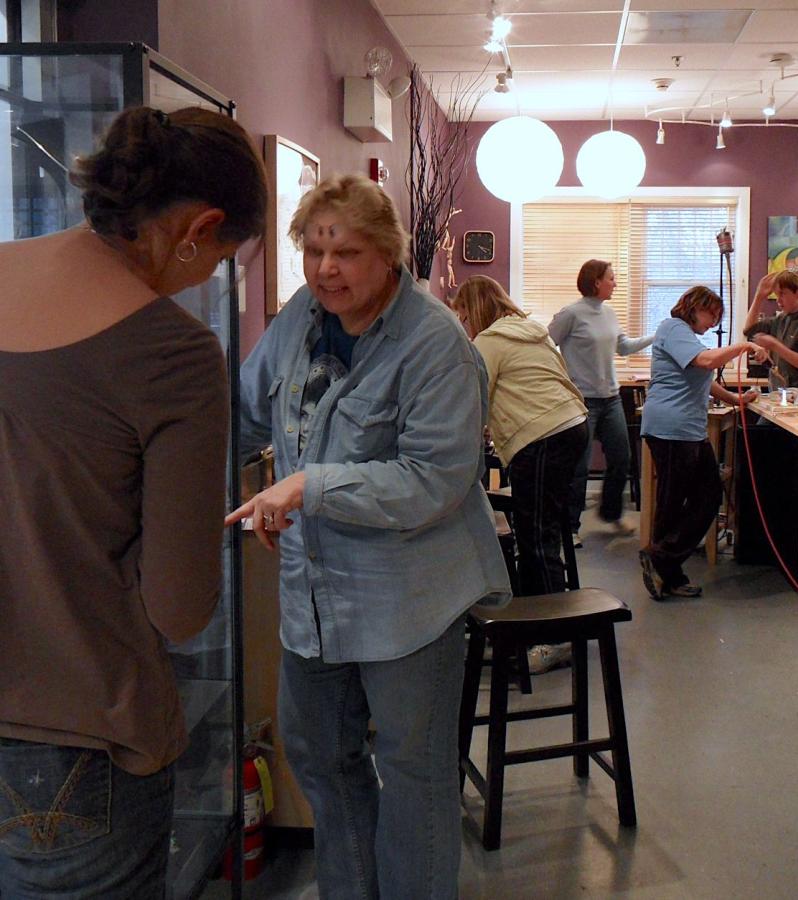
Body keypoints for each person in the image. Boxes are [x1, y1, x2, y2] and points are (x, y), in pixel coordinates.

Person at [0, 106, 268, 896]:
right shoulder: (174, 354)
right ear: (200, 227)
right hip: (79, 733)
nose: (212, 276)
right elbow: (180, 607)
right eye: (223, 256)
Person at [226, 174, 510, 899]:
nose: (327, 269)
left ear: (388, 254)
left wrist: (309, 486)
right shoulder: (300, 318)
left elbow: (432, 480)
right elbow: (247, 412)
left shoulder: (435, 344)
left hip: (409, 602)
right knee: (322, 760)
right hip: (314, 597)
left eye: (347, 252)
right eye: (314, 250)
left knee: (414, 775)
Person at [452, 276, 588, 674]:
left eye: (462, 316)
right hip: (571, 426)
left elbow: (471, 400)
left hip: (542, 436)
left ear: (473, 311)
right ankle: (536, 626)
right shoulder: (533, 333)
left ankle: (553, 639)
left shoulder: (488, 343)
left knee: (536, 538)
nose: (463, 325)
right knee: (540, 532)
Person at [638, 286, 765, 601]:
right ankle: (665, 567)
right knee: (673, 501)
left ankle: (662, 560)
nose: (713, 323)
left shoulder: (687, 337)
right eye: (712, 315)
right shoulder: (673, 329)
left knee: (708, 497)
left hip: (688, 430)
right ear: (695, 307)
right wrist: (743, 346)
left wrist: (736, 399)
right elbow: (707, 362)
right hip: (670, 428)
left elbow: (703, 380)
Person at [549, 259, 653, 546]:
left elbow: (624, 347)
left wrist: (657, 336)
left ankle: (610, 514)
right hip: (582, 401)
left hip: (611, 399)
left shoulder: (608, 313)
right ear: (596, 281)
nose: (615, 283)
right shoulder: (571, 314)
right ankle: (569, 527)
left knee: (622, 460)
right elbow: (546, 344)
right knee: (578, 467)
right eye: (611, 278)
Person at [743, 270, 798, 390]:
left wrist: (774, 345)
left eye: (782, 294)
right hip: (782, 394)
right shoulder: (782, 319)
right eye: (776, 295)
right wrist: (759, 296)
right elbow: (749, 330)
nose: (778, 300)